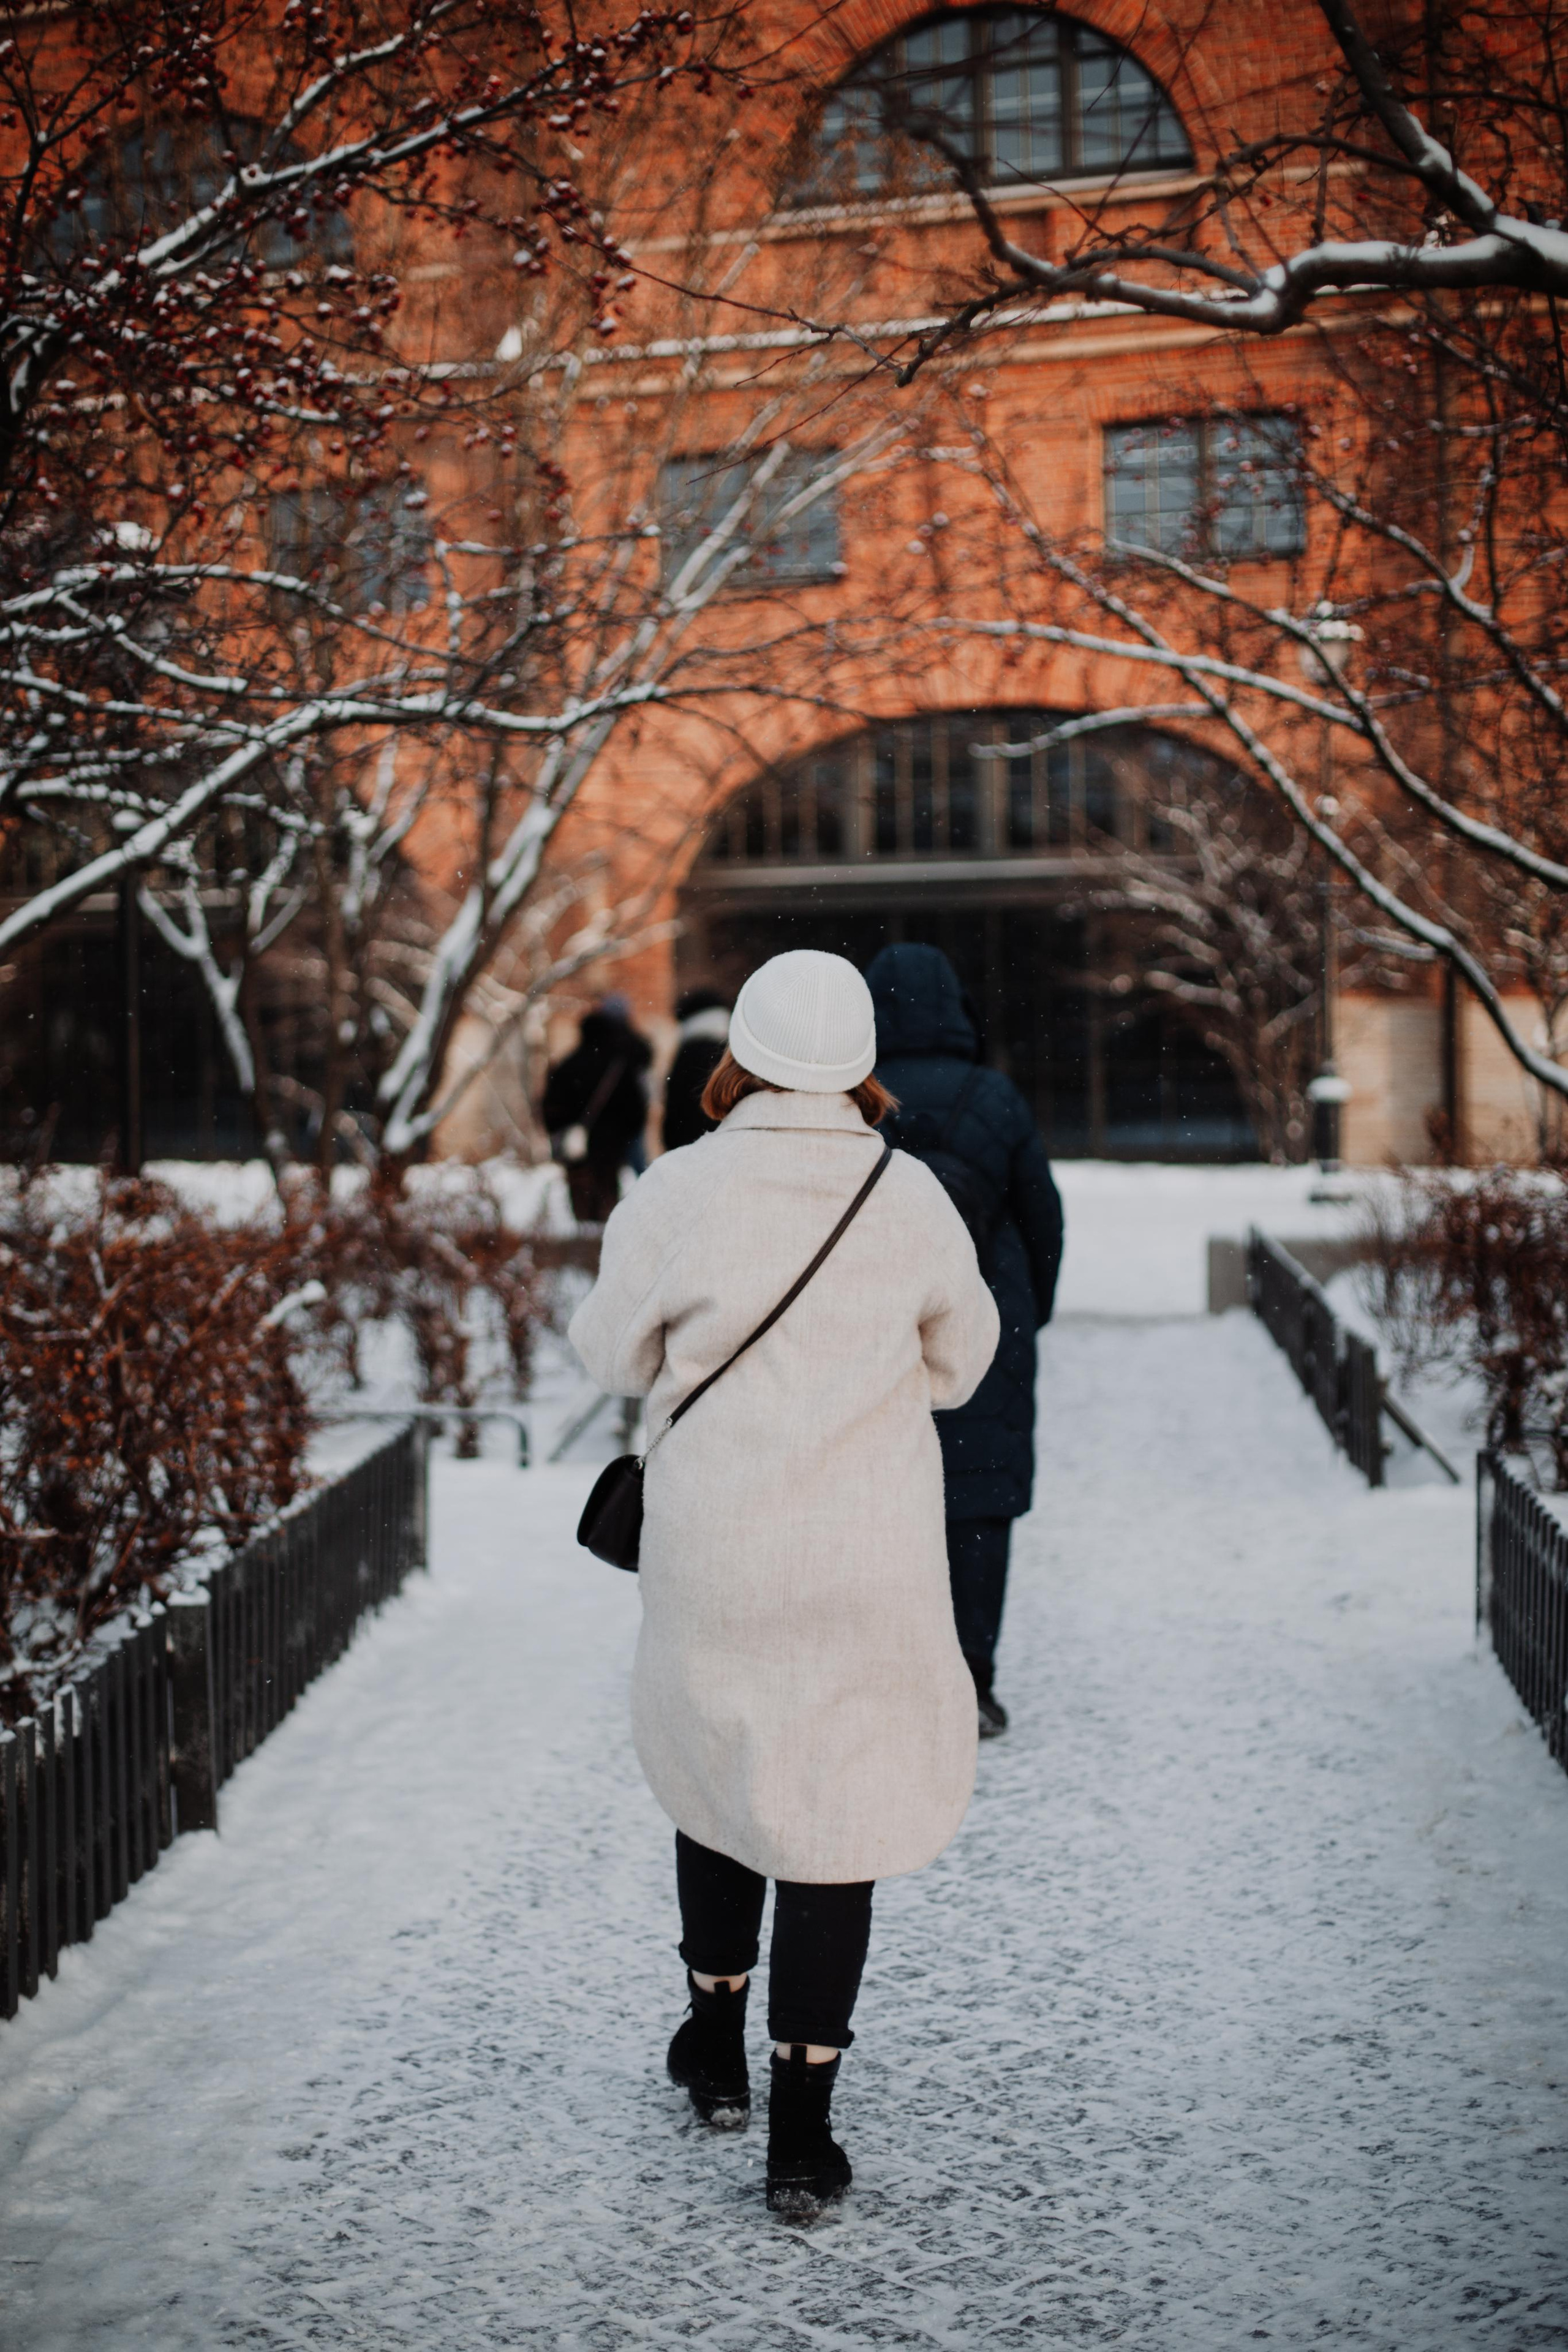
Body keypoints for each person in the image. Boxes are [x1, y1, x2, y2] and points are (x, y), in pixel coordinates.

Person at [568, 949, 998, 2216]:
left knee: (719, 1776)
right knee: (835, 1818)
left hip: (716, 1550)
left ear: (739, 1054)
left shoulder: (680, 1187)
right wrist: (866, 1388)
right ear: (859, 1061)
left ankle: (711, 2046)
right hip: (864, 1550)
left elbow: (609, 1352)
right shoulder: (907, 1192)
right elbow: (964, 1359)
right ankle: (802, 2133)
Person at [864, 943, 1063, 1739]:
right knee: (978, 1509)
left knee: (880, 1505)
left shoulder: (855, 1102)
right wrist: (1026, 1317)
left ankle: (892, 1677)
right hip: (987, 1327)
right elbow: (1042, 1222)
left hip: (878, 1331)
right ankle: (971, 1682)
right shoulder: (997, 1097)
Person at [541, 997, 652, 1224]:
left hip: (577, 1145)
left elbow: (551, 1104)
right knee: (607, 1196)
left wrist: (562, 1129)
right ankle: (601, 1241)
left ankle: (582, 1240)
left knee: (581, 1195)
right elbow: (636, 1106)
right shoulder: (619, 1062)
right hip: (611, 1145)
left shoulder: (569, 1064)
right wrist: (624, 1133)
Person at [661, 986, 731, 1152]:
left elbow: (676, 1101)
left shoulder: (689, 1052)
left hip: (690, 1146)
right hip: (723, 1143)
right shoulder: (729, 1053)